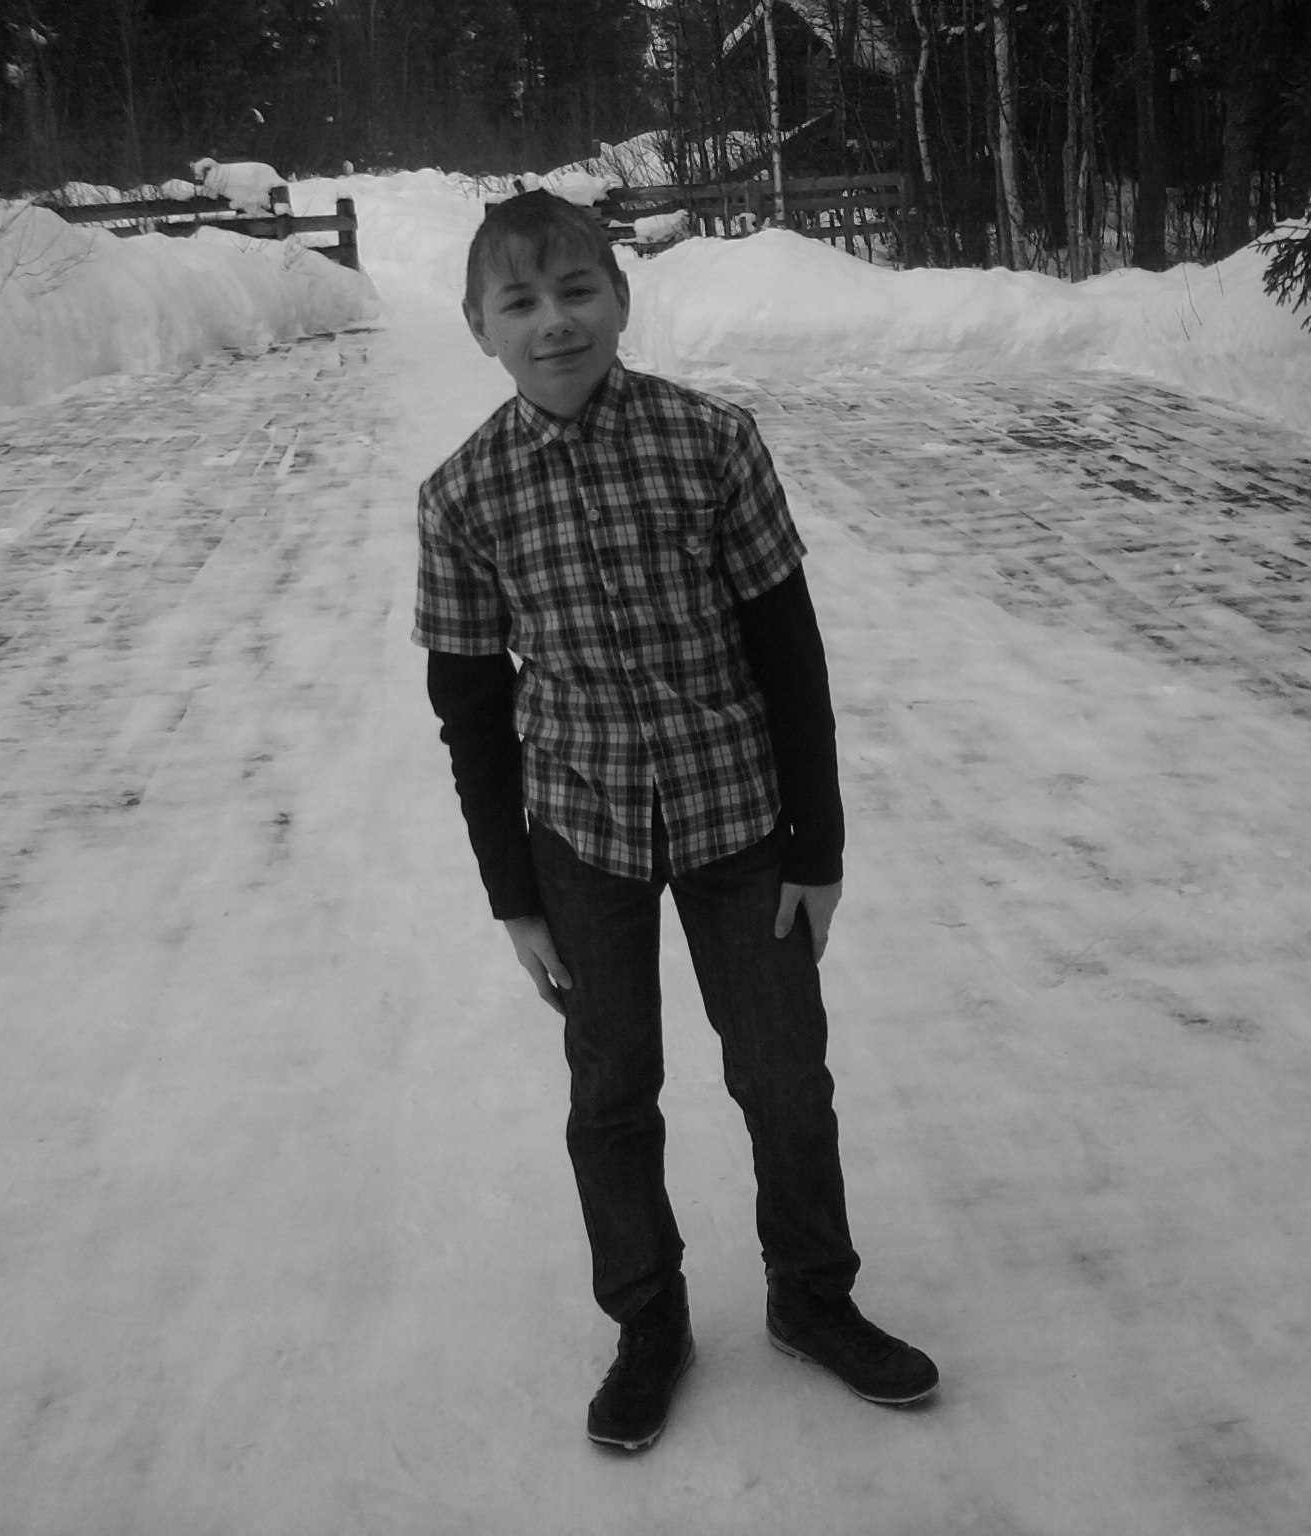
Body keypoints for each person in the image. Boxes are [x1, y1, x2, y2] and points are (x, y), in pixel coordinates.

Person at [413, 191, 937, 1454]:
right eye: (520, 303)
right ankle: (647, 1319)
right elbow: (470, 715)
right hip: (579, 832)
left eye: (576, 291)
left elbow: (789, 652)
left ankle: (812, 1297)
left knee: (784, 1078)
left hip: (735, 818)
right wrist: (513, 895)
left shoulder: (712, 443)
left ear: (620, 298)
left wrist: (817, 847)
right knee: (610, 1093)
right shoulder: (462, 496)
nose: (553, 323)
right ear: (478, 327)